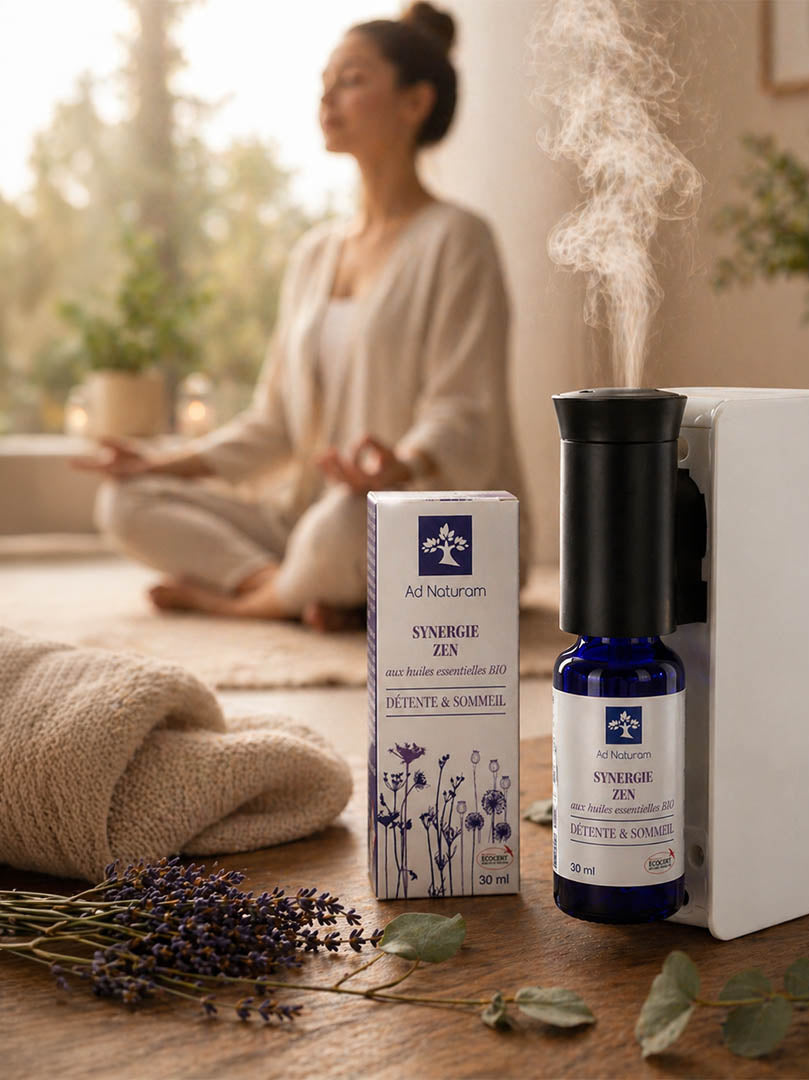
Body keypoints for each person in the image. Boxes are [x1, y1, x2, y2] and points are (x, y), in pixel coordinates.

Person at [74, 2, 530, 632]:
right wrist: (157, 462)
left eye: (351, 80)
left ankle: (241, 600)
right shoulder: (315, 253)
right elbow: (274, 424)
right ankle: (294, 589)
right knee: (126, 502)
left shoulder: (460, 239)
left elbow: (464, 411)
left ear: (414, 103)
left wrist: (403, 464)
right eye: (324, 84)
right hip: (312, 518)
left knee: (348, 525)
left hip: (429, 518)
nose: (327, 99)